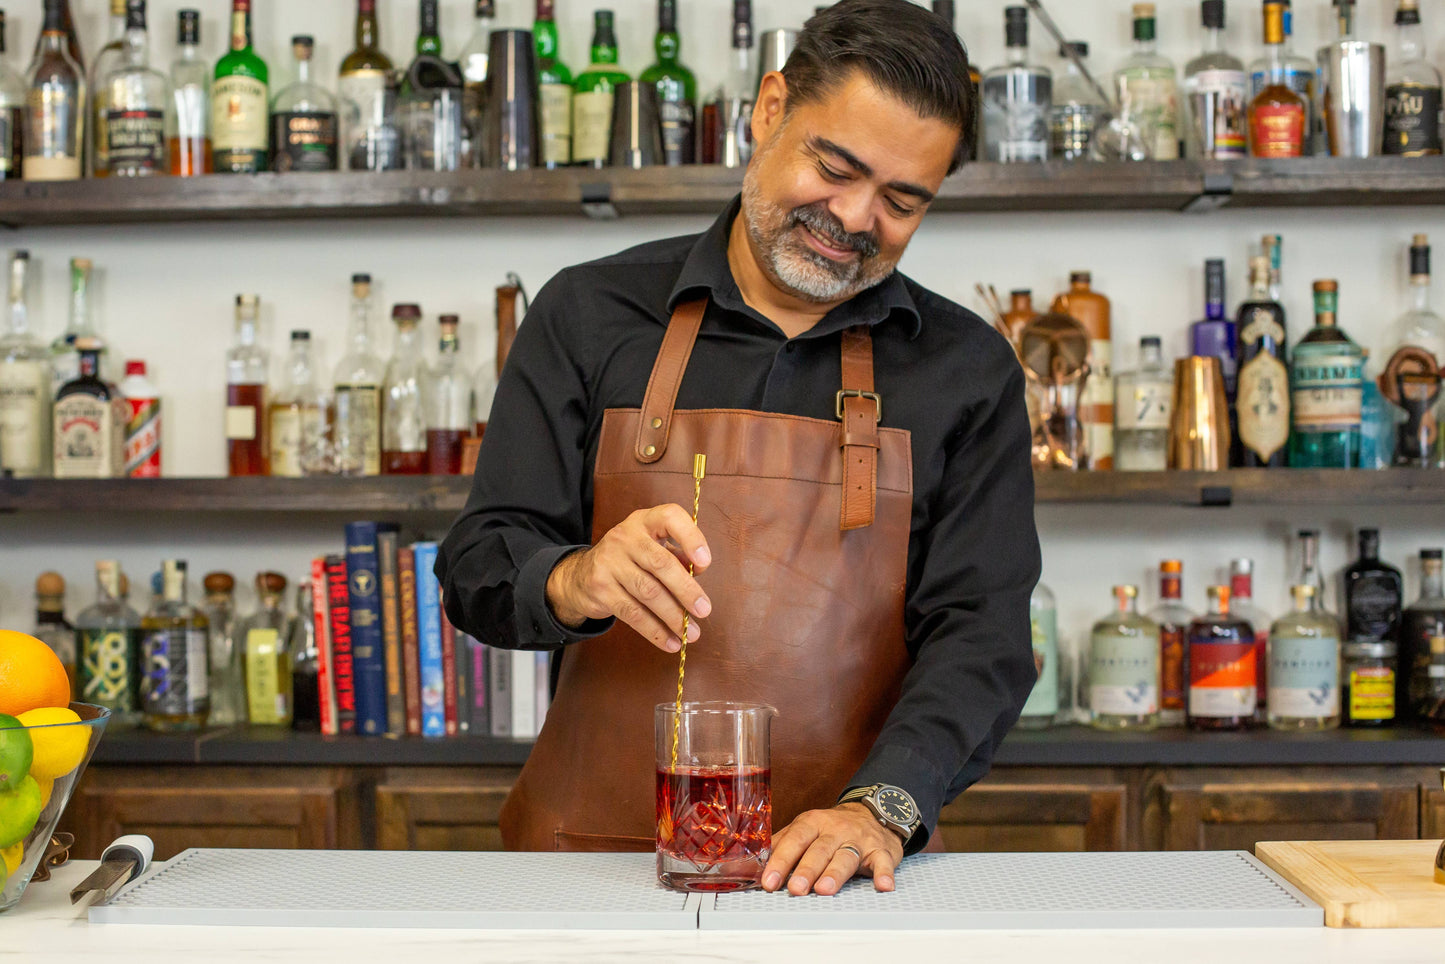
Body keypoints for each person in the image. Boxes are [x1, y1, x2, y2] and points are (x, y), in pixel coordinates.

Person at [437, 0, 1040, 896]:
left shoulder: (967, 369)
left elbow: (981, 636)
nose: (854, 216)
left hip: (838, 876)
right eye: (835, 168)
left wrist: (881, 808)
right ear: (769, 109)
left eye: (901, 201)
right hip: (590, 875)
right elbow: (476, 568)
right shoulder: (588, 313)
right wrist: (576, 577)